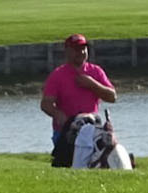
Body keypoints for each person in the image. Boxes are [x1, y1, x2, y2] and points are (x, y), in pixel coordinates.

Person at [40, 33, 116, 167]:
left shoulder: (95, 72)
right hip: (67, 131)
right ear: (67, 51)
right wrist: (58, 115)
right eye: (76, 49)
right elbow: (46, 104)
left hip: (92, 128)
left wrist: (92, 84)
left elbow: (112, 97)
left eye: (83, 48)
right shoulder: (58, 75)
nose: (80, 52)